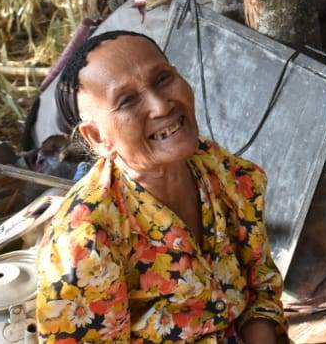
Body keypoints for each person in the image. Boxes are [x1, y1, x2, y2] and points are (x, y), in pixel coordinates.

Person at [35, 31, 286, 343]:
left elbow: (259, 288)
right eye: (127, 100)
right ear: (97, 138)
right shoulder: (85, 238)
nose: (160, 106)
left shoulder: (224, 172)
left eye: (163, 78)